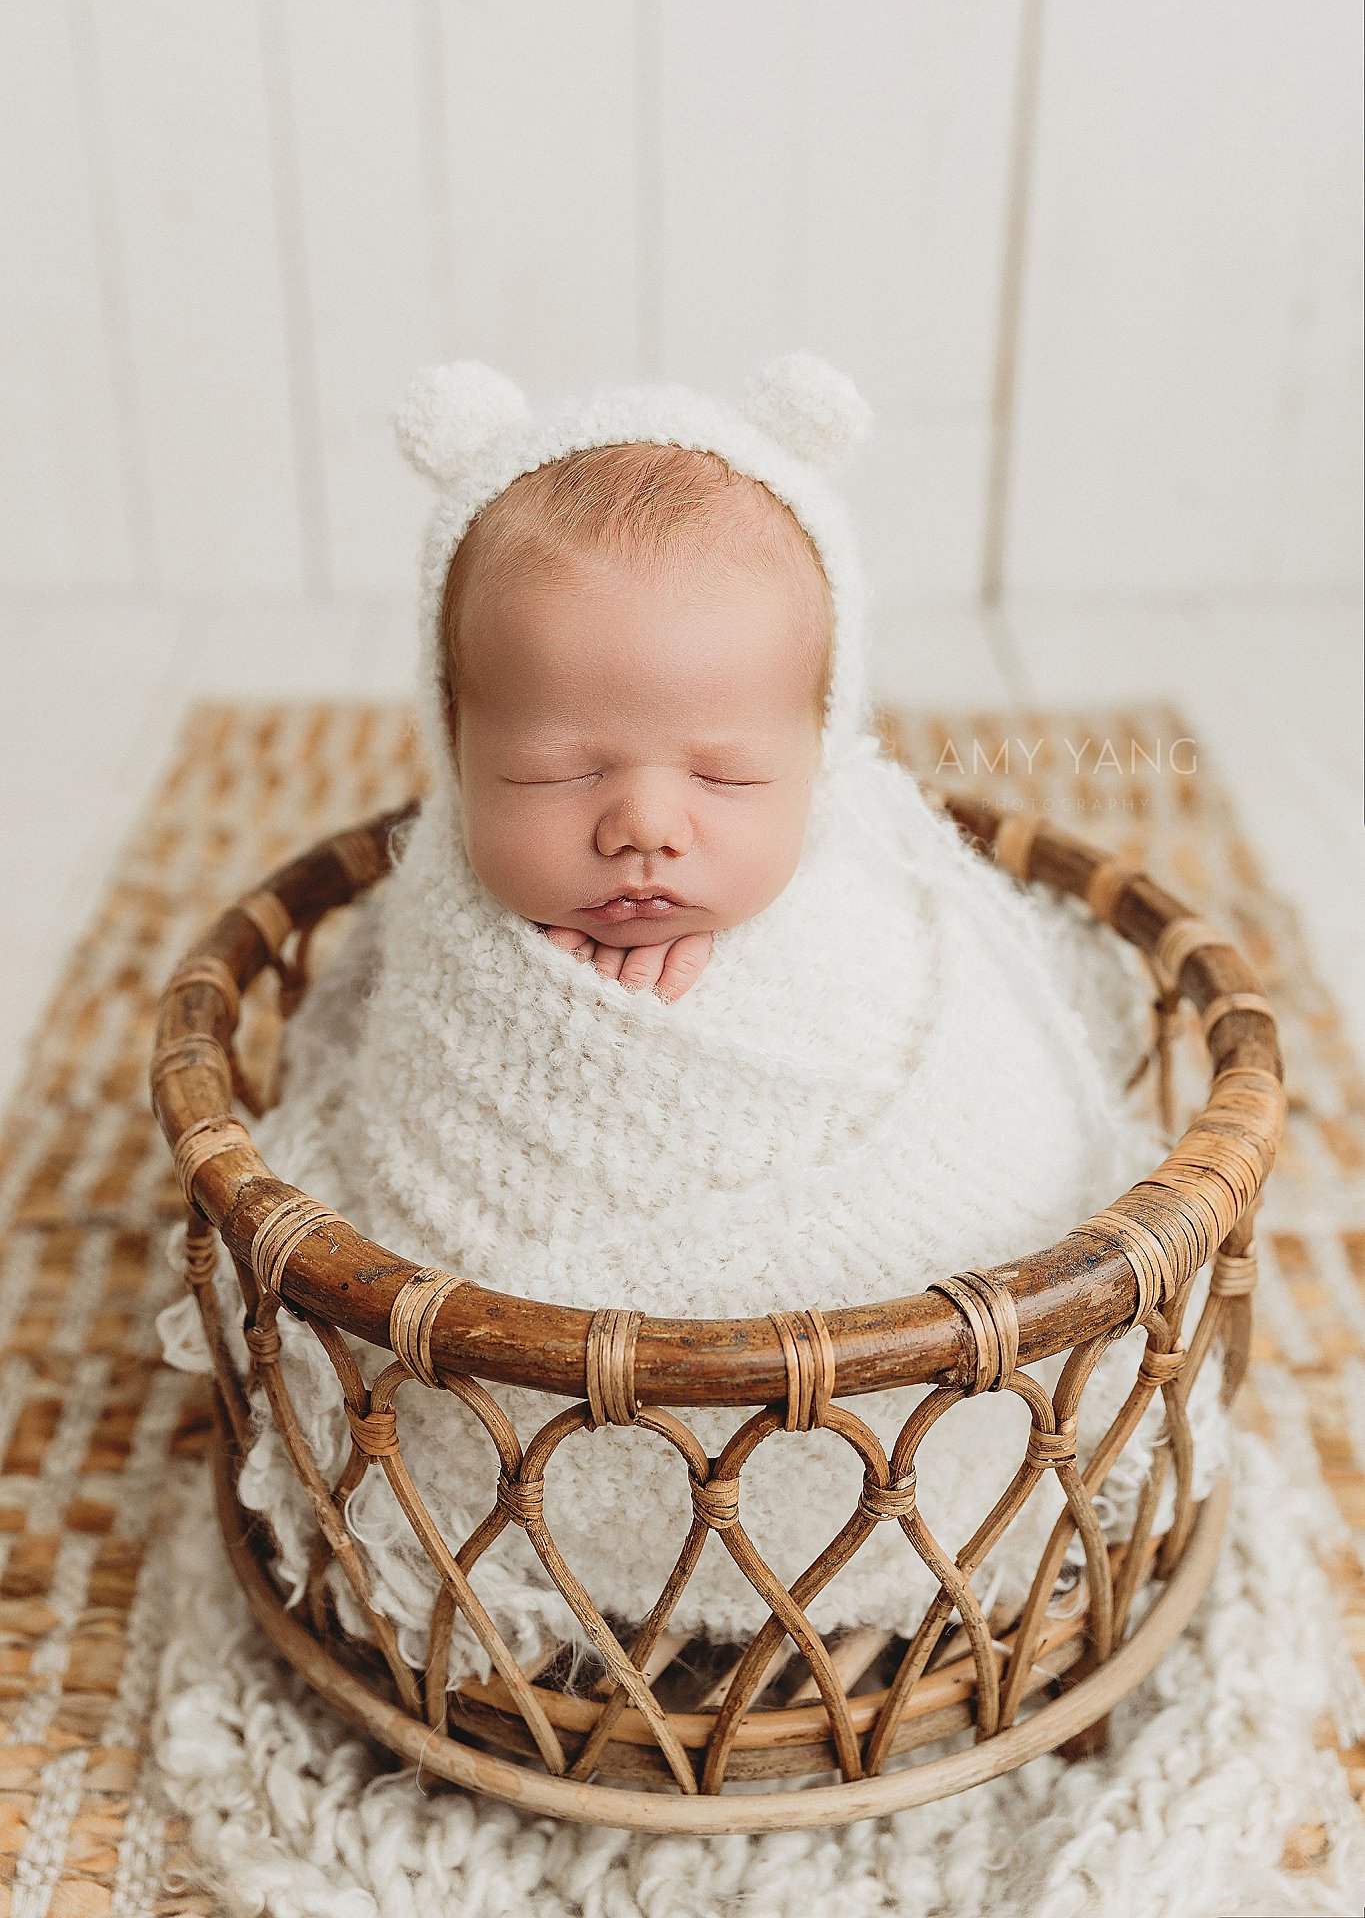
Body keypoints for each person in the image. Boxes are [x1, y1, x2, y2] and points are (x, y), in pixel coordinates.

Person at [157, 353, 1226, 1693]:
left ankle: (854, 1530)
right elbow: (407, 1125)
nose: (644, 824)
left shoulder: (858, 898)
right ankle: (601, 1554)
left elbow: (980, 1106)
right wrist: (543, 1009)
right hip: (518, 1446)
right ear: (452, 746)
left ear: (821, 749)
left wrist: (746, 963)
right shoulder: (443, 916)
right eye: (555, 770)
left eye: (725, 772)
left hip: (885, 1428)